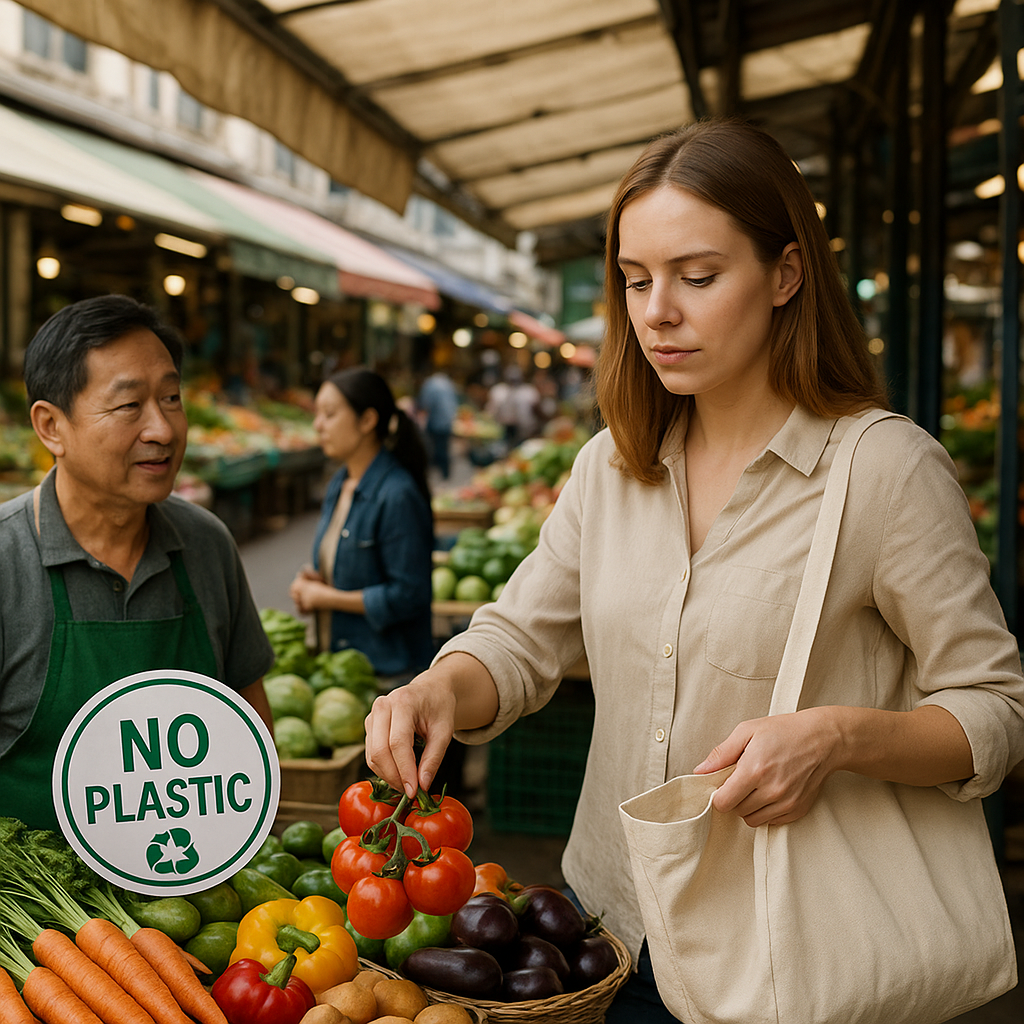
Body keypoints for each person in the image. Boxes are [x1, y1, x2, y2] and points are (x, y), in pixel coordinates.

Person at [364, 118, 1024, 1021]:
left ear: (787, 273)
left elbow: (996, 707)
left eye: (698, 277)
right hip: (609, 939)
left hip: (795, 956)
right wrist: (442, 688)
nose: (656, 313)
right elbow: (518, 641)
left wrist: (836, 739)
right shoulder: (611, 466)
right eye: (635, 282)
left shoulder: (883, 471)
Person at [0, 294, 274, 832]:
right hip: (33, 909)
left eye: (172, 398)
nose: (164, 430)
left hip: (195, 905)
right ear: (51, 426)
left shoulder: (206, 544)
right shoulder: (7, 561)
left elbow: (252, 730)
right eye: (129, 406)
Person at [289, 368, 434, 686]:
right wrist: (319, 582)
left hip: (387, 679)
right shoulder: (339, 483)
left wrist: (326, 598)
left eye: (329, 414)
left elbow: (409, 595)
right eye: (317, 414)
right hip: (342, 667)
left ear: (367, 421)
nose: (318, 426)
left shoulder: (397, 494)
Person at [417, 368, 459, 480]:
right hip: (447, 421)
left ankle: (439, 474)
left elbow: (425, 404)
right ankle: (445, 474)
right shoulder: (448, 384)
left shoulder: (430, 385)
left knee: (436, 448)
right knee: (444, 447)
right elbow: (454, 403)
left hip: (436, 422)